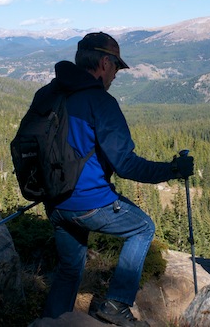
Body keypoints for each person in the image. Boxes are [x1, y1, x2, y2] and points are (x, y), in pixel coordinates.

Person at [38, 32, 194, 326]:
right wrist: (173, 170)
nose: (116, 75)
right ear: (105, 63)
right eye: (117, 68)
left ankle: (52, 320)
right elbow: (127, 166)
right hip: (89, 202)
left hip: (55, 202)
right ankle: (116, 304)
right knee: (142, 228)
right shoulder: (101, 102)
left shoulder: (49, 94)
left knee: (70, 267)